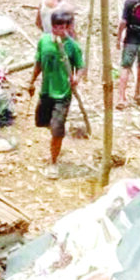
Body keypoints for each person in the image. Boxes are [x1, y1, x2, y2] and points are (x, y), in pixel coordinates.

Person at [28, 10, 85, 179]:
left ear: (67, 28)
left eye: (63, 27)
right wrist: (31, 81)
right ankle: (54, 130)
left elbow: (81, 67)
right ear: (51, 26)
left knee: (57, 130)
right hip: (46, 91)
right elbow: (38, 62)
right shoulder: (44, 42)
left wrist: (77, 77)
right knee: (41, 121)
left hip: (62, 94)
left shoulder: (72, 47)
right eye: (56, 27)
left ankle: (53, 161)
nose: (59, 30)